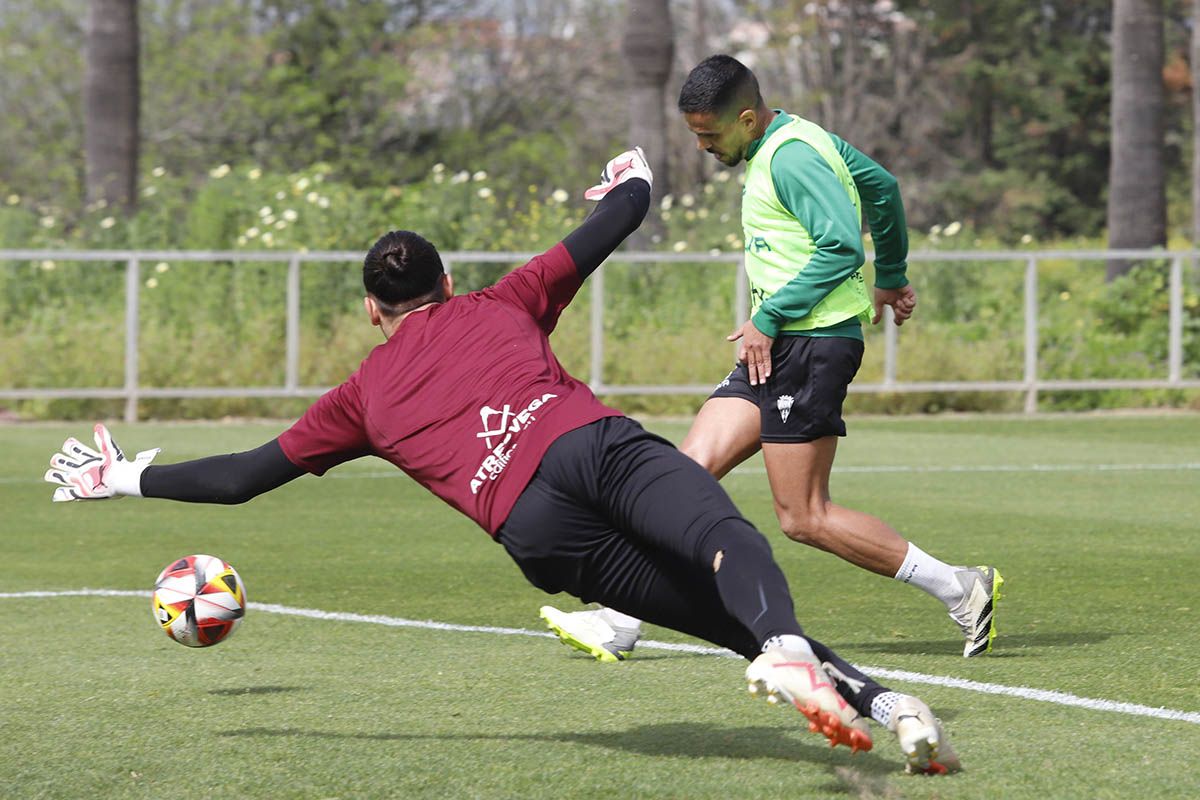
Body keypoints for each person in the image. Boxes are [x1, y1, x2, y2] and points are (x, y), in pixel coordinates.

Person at [44, 147, 960, 774]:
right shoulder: (503, 298)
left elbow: (242, 477)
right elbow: (625, 214)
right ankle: (800, 656)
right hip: (585, 446)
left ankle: (889, 711)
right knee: (727, 538)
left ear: (374, 311)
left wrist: (116, 476)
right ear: (444, 284)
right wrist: (628, 176)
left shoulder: (360, 397)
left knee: (726, 623)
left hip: (534, 529)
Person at [540, 55, 1002, 662]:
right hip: (777, 344)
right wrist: (889, 274)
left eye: (710, 134)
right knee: (683, 475)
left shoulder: (792, 155)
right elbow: (882, 189)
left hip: (810, 345)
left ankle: (960, 587)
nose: (703, 146)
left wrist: (769, 316)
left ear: (749, 118)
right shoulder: (799, 139)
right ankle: (621, 622)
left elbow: (839, 247)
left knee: (804, 517)